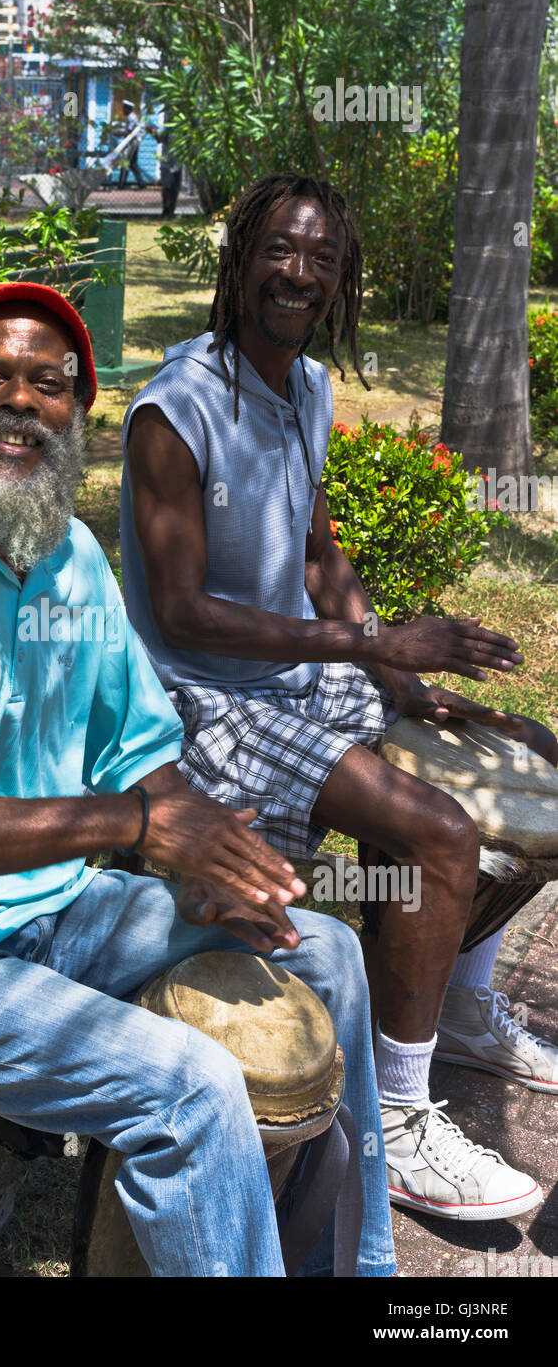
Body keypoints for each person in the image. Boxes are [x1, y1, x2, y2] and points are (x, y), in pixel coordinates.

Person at [0, 280, 396, 1276]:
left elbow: (139, 747)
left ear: (78, 412)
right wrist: (134, 823)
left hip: (59, 907)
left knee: (326, 949)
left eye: (51, 384)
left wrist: (207, 854)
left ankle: (362, 1269)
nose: (20, 403)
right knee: (190, 1087)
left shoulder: (67, 557)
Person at [120, 172, 557, 1223]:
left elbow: (317, 552)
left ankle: (445, 1004)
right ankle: (398, 1124)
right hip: (203, 702)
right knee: (438, 833)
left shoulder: (306, 388)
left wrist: (395, 675)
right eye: (280, 249)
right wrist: (367, 641)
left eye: (321, 258)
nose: (299, 273)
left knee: (536, 759)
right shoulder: (171, 411)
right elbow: (181, 615)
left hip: (303, 673)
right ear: (239, 261)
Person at [117, 100, 147, 189]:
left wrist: (118, 133)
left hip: (131, 143)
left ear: (128, 109)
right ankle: (141, 184)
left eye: (124, 108)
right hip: (133, 143)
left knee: (125, 161)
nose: (123, 110)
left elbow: (129, 132)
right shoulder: (132, 117)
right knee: (132, 163)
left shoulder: (131, 117)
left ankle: (121, 184)